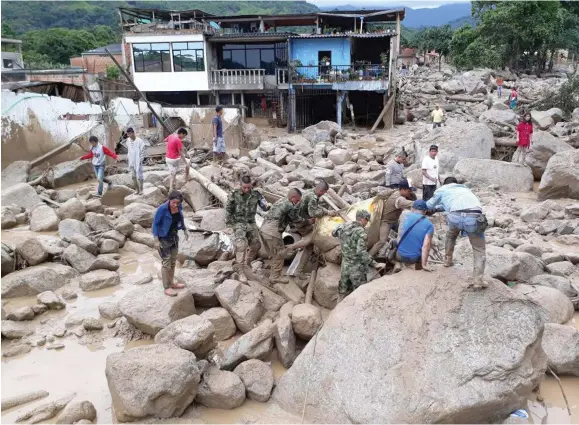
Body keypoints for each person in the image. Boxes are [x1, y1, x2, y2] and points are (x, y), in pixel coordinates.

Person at [426, 177, 487, 289]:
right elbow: (460, 206)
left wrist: (424, 208)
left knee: (451, 235)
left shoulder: (443, 189)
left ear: (445, 184)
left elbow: (429, 205)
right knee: (479, 249)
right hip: (473, 218)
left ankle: (447, 261)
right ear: (456, 183)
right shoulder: (465, 189)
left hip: (454, 217)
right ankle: (478, 281)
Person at [332, 210, 385, 303]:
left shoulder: (345, 226)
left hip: (345, 265)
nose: (366, 223)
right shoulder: (361, 233)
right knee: (360, 293)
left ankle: (338, 310)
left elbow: (333, 233)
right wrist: (375, 264)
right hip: (356, 268)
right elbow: (361, 252)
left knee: (342, 290)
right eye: (367, 221)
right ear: (363, 219)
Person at [286, 179, 336, 279]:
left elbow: (315, 207)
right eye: (324, 193)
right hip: (303, 223)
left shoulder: (310, 192)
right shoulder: (313, 197)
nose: (323, 194)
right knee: (310, 244)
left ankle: (294, 247)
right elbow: (313, 213)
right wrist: (327, 213)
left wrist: (325, 210)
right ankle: (293, 253)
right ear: (322, 191)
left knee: (309, 241)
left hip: (299, 221)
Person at [225, 175, 269, 283]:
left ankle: (247, 262)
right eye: (244, 187)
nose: (246, 190)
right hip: (238, 222)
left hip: (251, 222)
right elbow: (228, 210)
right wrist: (229, 225)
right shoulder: (234, 194)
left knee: (256, 245)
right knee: (241, 245)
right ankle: (240, 271)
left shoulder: (256, 194)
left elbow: (264, 206)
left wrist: (269, 206)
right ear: (240, 185)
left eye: (248, 187)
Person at [260, 188, 302, 284]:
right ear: (293, 198)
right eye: (298, 200)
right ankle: (275, 277)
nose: (298, 202)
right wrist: (308, 221)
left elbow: (287, 219)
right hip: (272, 232)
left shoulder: (281, 200)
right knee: (281, 253)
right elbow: (296, 219)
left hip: (263, 229)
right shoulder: (290, 205)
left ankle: (273, 271)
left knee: (273, 253)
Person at [153, 191, 189, 297]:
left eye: (177, 203)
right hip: (163, 238)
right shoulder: (162, 209)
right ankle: (166, 287)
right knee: (166, 263)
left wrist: (184, 229)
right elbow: (155, 224)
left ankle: (172, 283)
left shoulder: (179, 206)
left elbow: (180, 218)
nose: (175, 205)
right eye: (173, 202)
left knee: (173, 261)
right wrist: (156, 240)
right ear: (169, 200)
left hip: (174, 236)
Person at [368, 179, 416, 257]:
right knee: (382, 241)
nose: (410, 192)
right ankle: (368, 257)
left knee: (407, 232)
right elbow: (410, 204)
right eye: (409, 191)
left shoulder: (398, 193)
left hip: (394, 221)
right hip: (386, 222)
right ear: (403, 190)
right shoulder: (398, 199)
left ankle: (398, 249)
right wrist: (423, 205)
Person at [395, 200, 434, 271]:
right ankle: (418, 270)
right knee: (424, 246)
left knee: (394, 241)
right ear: (425, 211)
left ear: (412, 208)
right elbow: (426, 246)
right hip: (414, 258)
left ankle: (397, 263)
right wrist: (424, 264)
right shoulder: (429, 225)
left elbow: (401, 229)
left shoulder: (404, 214)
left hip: (399, 255)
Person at [165, 127, 190, 192]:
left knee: (173, 173)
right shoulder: (178, 140)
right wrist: (185, 162)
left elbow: (165, 140)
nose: (183, 137)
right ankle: (187, 179)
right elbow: (181, 153)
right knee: (188, 162)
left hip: (167, 158)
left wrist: (170, 147)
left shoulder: (171, 136)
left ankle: (172, 187)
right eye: (184, 136)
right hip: (174, 159)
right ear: (181, 133)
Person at [124, 127, 146, 194]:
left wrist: (140, 160)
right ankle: (137, 190)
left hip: (138, 160)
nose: (129, 135)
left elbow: (142, 151)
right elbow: (129, 150)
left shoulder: (140, 141)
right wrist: (128, 157)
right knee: (133, 176)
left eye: (130, 134)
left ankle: (141, 190)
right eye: (128, 134)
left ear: (133, 133)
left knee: (140, 176)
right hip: (131, 161)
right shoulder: (128, 140)